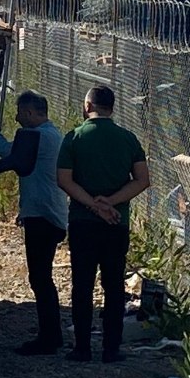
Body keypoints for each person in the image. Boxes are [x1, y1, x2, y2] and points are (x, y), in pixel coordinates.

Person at [56, 86, 151, 363]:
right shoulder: (127, 138)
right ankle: (111, 348)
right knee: (113, 285)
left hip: (83, 222)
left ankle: (82, 347)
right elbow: (142, 179)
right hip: (116, 222)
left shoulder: (74, 137)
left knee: (82, 284)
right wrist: (111, 202)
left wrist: (92, 204)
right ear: (112, 107)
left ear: (87, 106)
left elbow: (64, 179)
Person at [0, 90, 70, 356]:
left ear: (31, 113)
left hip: (43, 216)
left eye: (21, 113)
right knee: (41, 276)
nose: (17, 117)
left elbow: (9, 154)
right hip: (46, 214)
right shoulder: (50, 135)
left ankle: (49, 337)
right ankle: (51, 335)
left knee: (41, 278)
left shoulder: (39, 137)